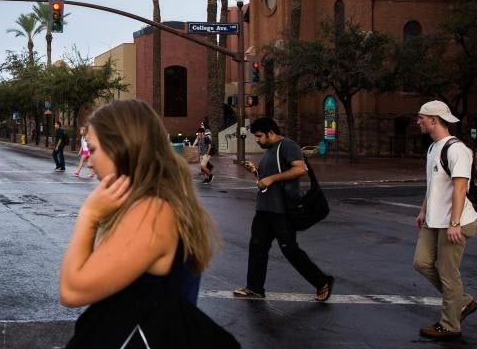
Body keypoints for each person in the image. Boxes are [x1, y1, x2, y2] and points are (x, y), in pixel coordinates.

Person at [58, 98, 214, 309]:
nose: (90, 163)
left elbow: (72, 291)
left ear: (120, 148)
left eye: (93, 150)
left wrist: (89, 213)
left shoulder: (152, 213)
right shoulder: (157, 203)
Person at [233, 117, 334, 302]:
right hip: (264, 209)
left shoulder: (288, 146)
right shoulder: (270, 150)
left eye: (259, 136)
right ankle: (255, 287)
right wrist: (256, 172)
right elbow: (269, 178)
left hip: (282, 210)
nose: (257, 139)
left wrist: (271, 179)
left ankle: (322, 281)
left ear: (271, 133)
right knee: (257, 247)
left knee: (290, 249)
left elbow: (300, 169)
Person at [414, 100, 477, 340]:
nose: (418, 121)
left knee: (447, 272)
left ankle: (450, 324)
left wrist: (455, 224)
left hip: (455, 221)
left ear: (434, 120)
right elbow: (434, 186)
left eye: (422, 117)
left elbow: (460, 188)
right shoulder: (433, 148)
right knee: (422, 263)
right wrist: (423, 211)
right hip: (434, 219)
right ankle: (462, 302)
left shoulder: (456, 149)